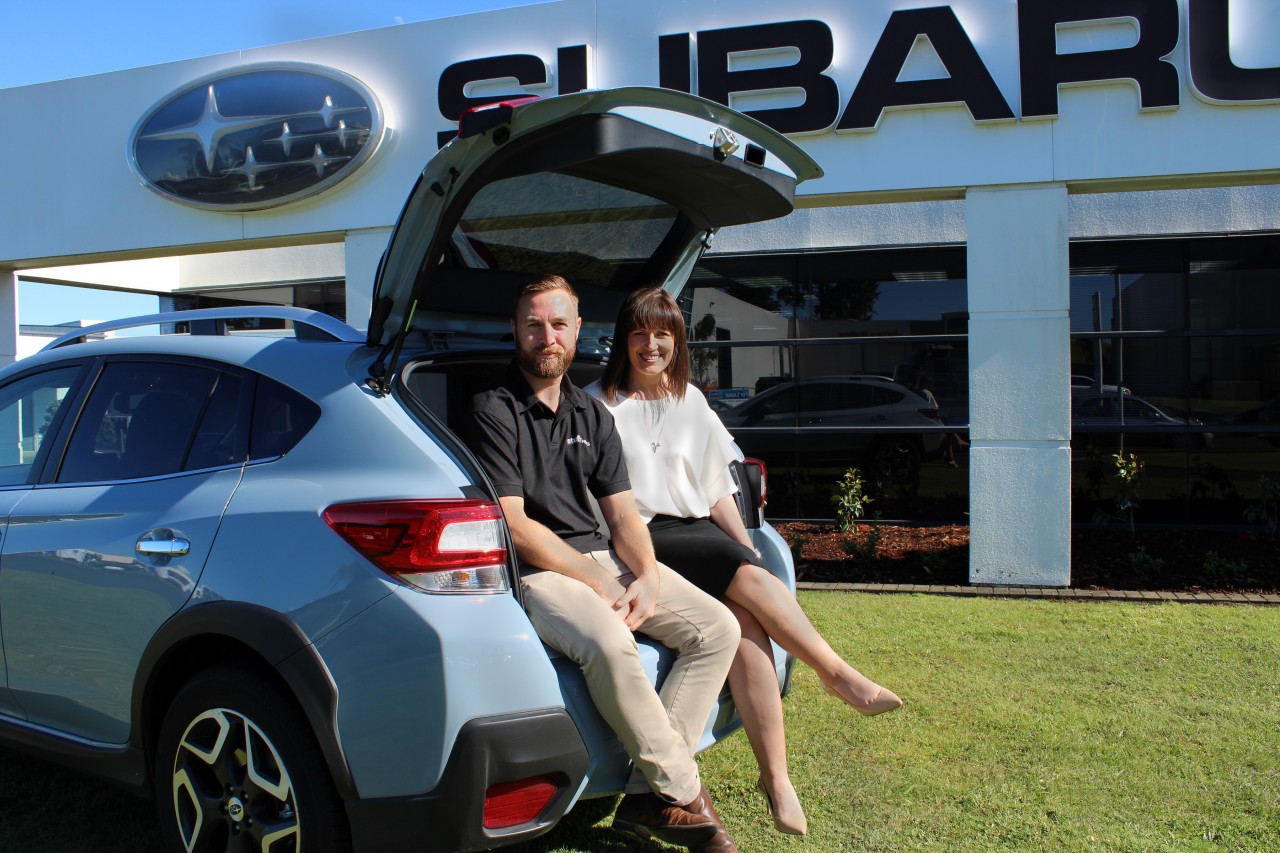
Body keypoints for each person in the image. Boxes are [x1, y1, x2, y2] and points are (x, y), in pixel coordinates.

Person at [586, 286, 902, 837]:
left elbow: (714, 490)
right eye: (640, 333)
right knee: (744, 580)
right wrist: (740, 563)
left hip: (698, 534)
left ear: (677, 341)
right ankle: (838, 676)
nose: (651, 345)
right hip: (639, 535)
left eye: (663, 334)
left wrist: (747, 547)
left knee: (747, 624)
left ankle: (775, 777)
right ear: (623, 340)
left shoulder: (691, 401)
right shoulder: (596, 403)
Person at [464, 275, 742, 853]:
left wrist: (643, 574)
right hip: (540, 572)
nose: (547, 336)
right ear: (515, 330)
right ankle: (685, 793)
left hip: (605, 558)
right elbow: (515, 525)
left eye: (558, 324)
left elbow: (623, 517)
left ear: (576, 332)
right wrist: (596, 581)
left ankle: (645, 798)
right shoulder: (492, 408)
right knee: (611, 642)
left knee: (719, 628)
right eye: (535, 324)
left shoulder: (593, 416)